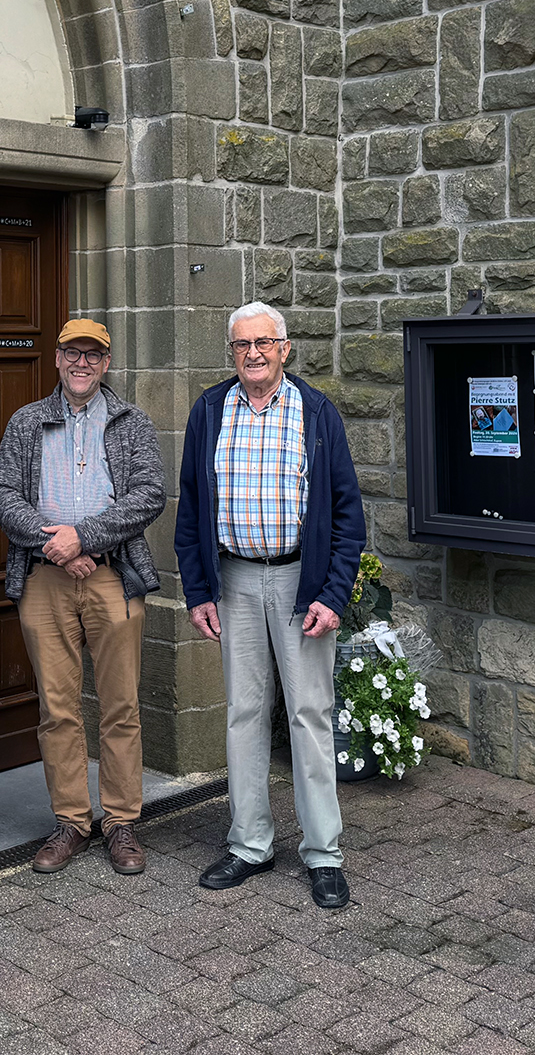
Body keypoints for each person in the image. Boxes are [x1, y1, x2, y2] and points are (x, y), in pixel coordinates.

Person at [174, 301, 366, 910]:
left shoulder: (315, 412)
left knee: (310, 713)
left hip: (297, 582)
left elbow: (346, 514)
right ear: (231, 352)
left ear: (285, 349)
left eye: (263, 342)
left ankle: (324, 853)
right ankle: (249, 843)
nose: (252, 353)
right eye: (240, 345)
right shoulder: (209, 410)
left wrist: (333, 593)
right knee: (244, 713)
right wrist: (199, 590)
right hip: (234, 579)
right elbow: (189, 510)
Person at [0, 319, 166, 875]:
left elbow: (149, 494)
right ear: (57, 360)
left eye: (94, 355)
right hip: (45, 578)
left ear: (106, 363)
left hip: (113, 576)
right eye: (72, 353)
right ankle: (71, 821)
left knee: (121, 707)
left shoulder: (131, 422)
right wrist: (57, 544)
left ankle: (120, 821)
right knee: (57, 709)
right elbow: (1, 492)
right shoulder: (26, 421)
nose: (82, 363)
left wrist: (85, 538)